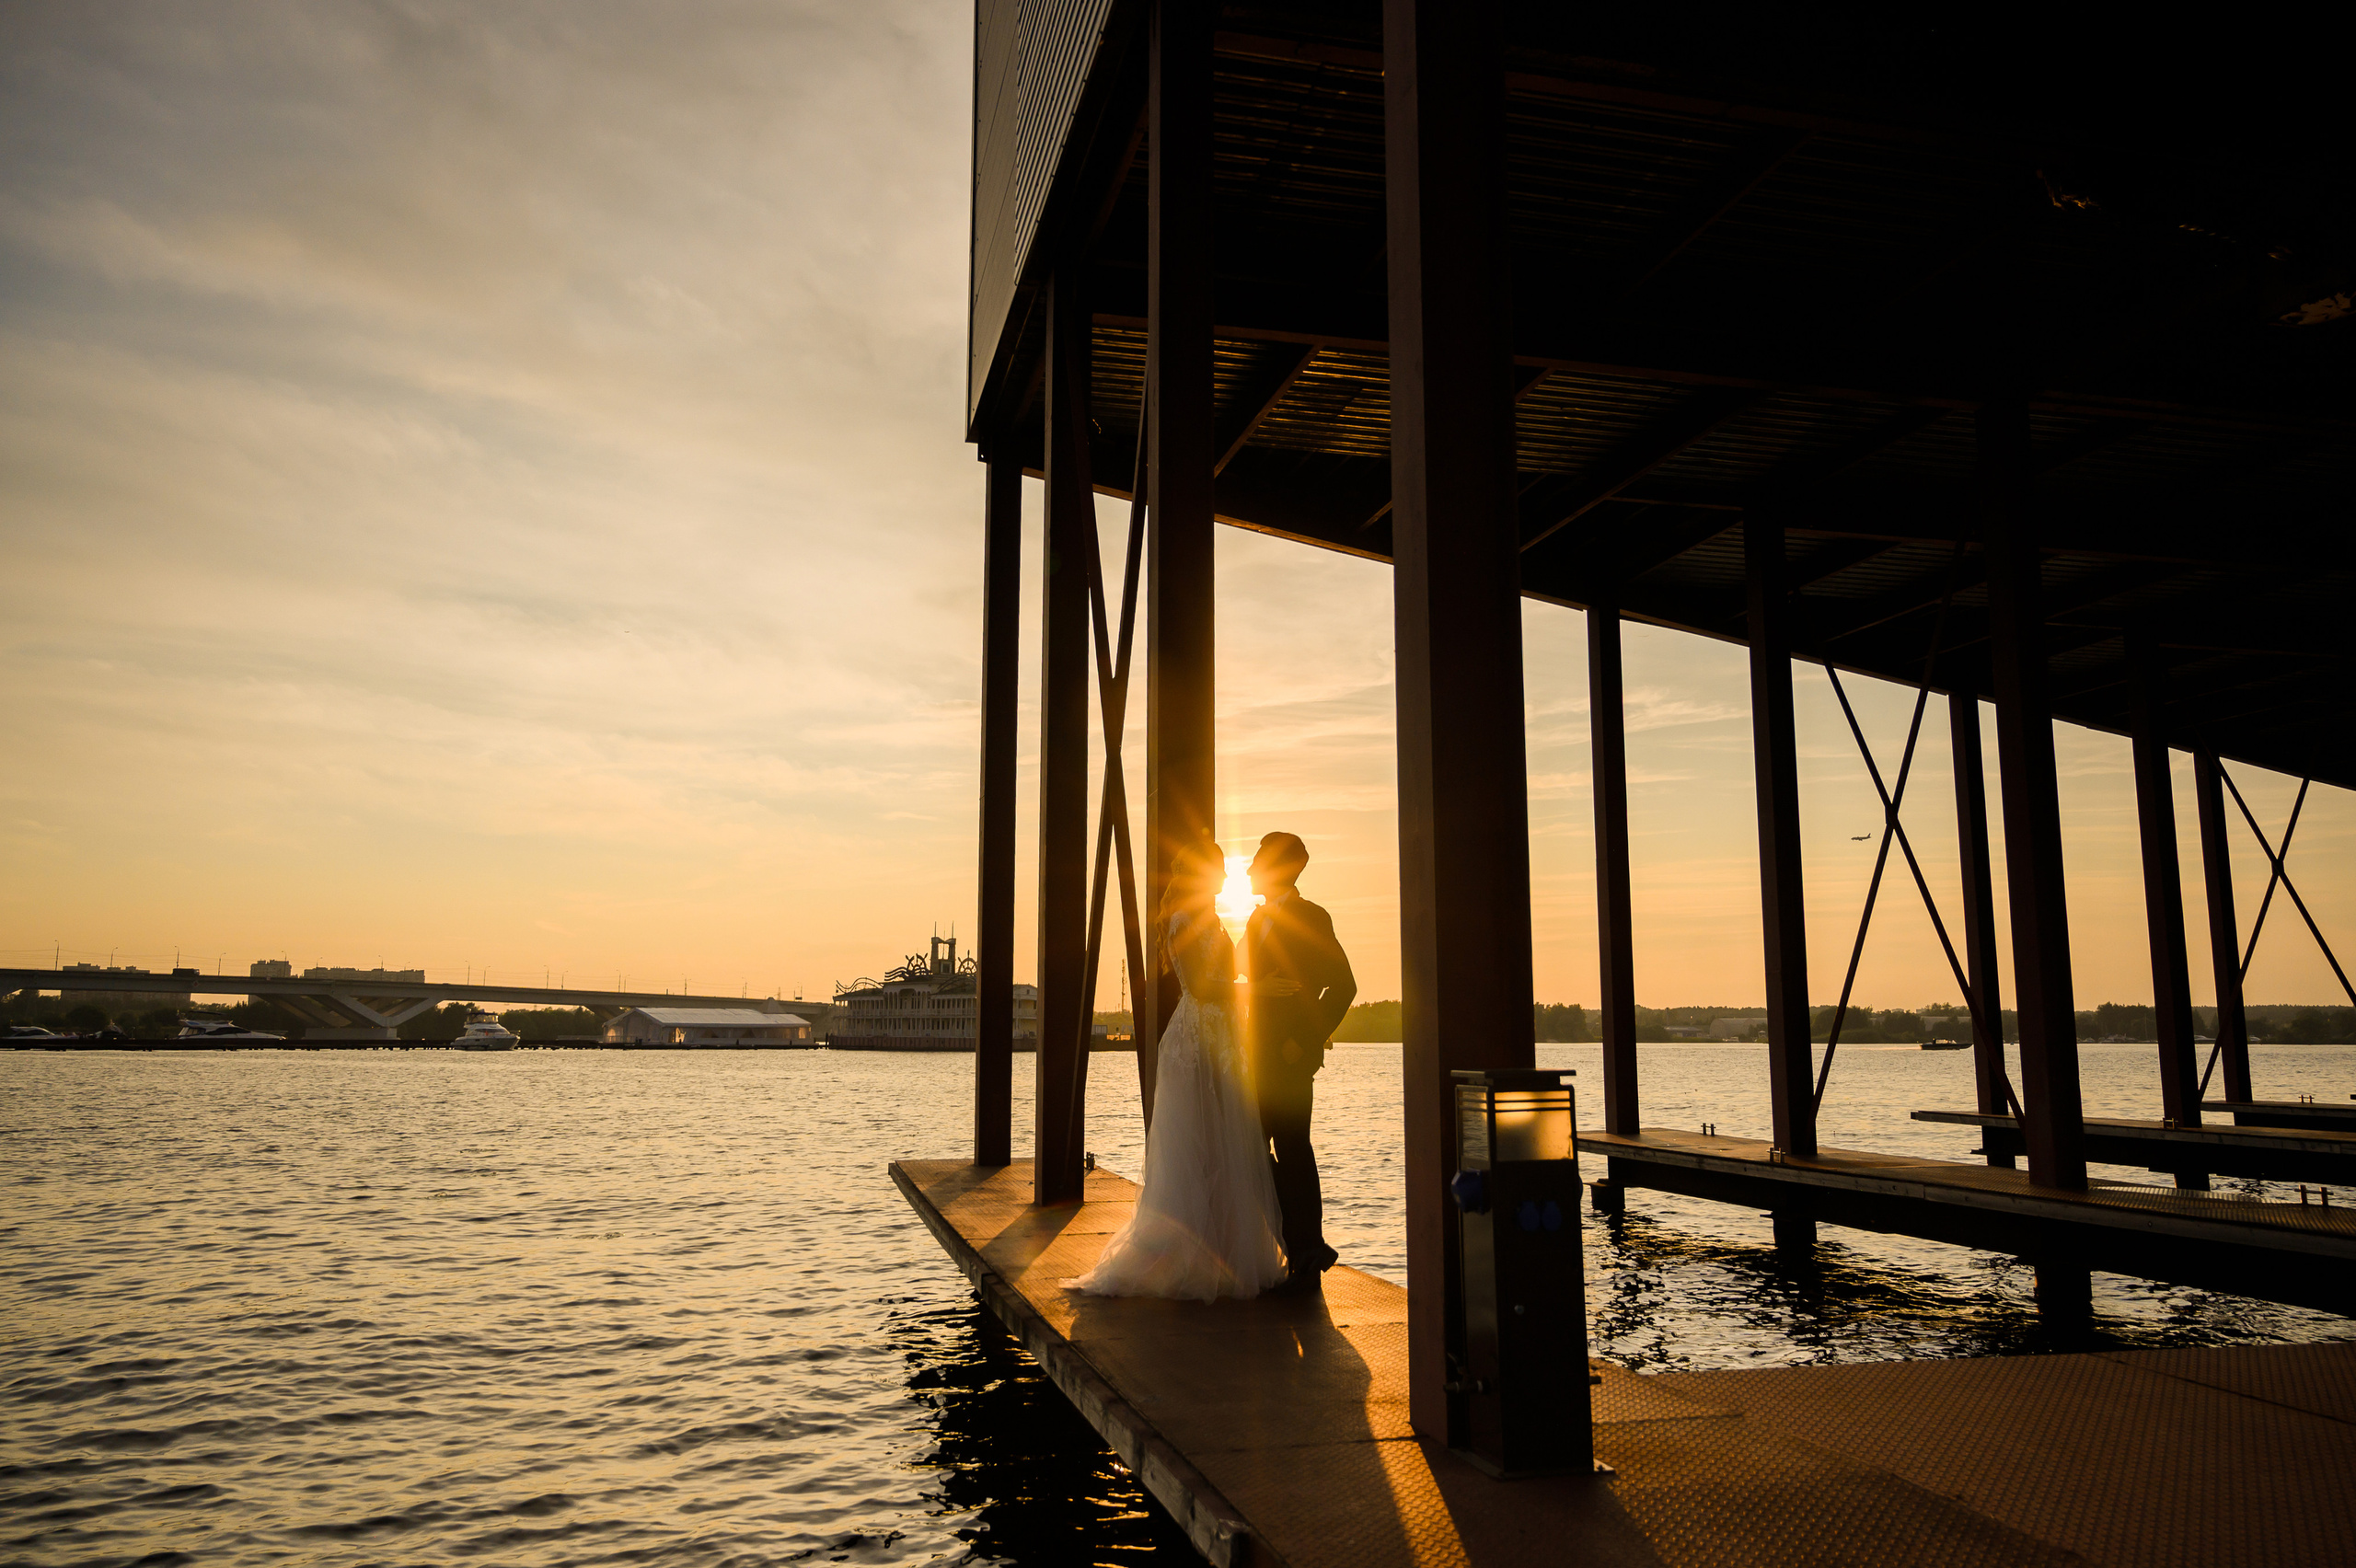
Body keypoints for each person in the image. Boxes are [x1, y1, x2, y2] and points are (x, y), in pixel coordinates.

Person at [1066, 837, 1287, 1301]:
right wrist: (1259, 990)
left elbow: (1225, 975)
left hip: (1221, 1037)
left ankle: (1223, 1253)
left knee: (1224, 1147)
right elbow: (1205, 986)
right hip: (1197, 1041)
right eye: (1220, 868)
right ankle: (1186, 1259)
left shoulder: (1209, 918)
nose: (1227, 876)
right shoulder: (1184, 920)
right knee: (1198, 1149)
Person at [1242, 831, 1356, 1292]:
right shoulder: (1254, 920)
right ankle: (1293, 1241)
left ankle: (1308, 1248)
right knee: (1249, 1147)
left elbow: (1344, 985)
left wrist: (1305, 1041)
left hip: (1290, 1059)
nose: (1248, 868)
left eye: (1256, 860)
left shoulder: (1312, 917)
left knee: (1292, 1149)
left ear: (1280, 868)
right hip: (1252, 1055)